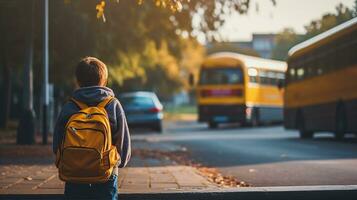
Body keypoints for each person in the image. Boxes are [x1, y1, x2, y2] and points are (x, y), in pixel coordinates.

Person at [53, 57, 131, 200]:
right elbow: (123, 141)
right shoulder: (113, 105)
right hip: (106, 172)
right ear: (104, 80)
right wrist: (119, 163)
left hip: (74, 172)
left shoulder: (70, 106)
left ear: (78, 81)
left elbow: (57, 141)